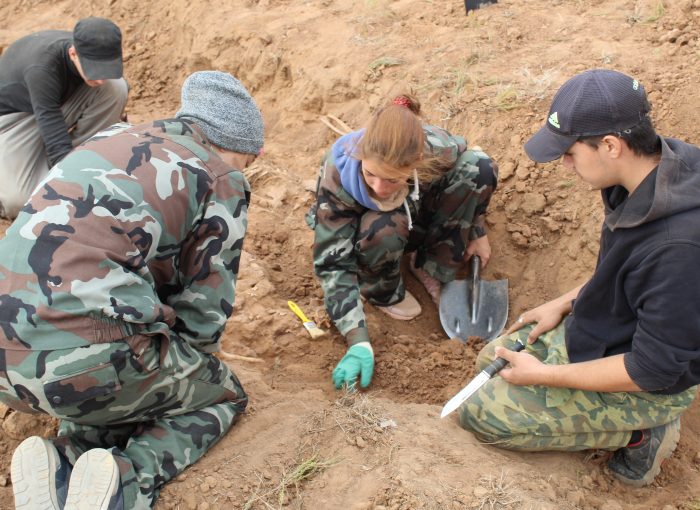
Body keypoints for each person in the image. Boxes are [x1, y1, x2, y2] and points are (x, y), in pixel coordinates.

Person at [1, 70, 264, 509]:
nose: (245, 173)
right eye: (249, 163)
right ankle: (125, 483)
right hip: (83, 358)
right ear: (235, 147)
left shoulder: (112, 139)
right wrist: (193, 368)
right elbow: (204, 311)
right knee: (220, 395)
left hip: (9, 356)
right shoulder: (220, 176)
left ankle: (65, 459)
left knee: (124, 371)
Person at [458, 69, 700, 487]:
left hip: (651, 379)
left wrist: (545, 375)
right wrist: (567, 301)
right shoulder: (649, 172)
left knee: (481, 415)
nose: (565, 163)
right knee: (489, 364)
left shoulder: (679, 248)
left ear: (610, 145)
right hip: (609, 328)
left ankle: (643, 433)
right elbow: (630, 272)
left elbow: (652, 369)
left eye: (569, 152)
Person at [307, 92, 498, 390]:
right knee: (383, 226)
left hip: (416, 210)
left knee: (480, 167)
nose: (380, 187)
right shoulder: (338, 172)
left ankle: (431, 266)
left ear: (418, 161)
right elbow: (333, 264)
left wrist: (477, 228)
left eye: (393, 178)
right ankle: (383, 289)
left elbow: (474, 161)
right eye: (370, 174)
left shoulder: (434, 146)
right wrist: (358, 340)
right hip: (369, 229)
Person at [0, 16, 129, 219]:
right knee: (19, 201)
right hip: (14, 120)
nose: (100, 77)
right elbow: (51, 126)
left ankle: (86, 158)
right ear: (73, 54)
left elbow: (110, 91)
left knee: (116, 87)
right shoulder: (42, 67)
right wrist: (74, 186)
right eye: (94, 71)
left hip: (52, 105)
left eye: (106, 69)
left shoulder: (94, 46)